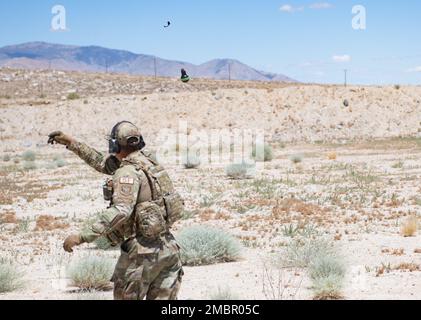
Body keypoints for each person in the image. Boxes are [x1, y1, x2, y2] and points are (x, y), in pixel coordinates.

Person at [48, 121, 184, 300]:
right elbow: (101, 163)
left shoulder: (127, 172)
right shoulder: (149, 162)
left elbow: (121, 210)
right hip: (169, 250)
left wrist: (82, 236)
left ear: (115, 144)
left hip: (141, 256)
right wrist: (70, 142)